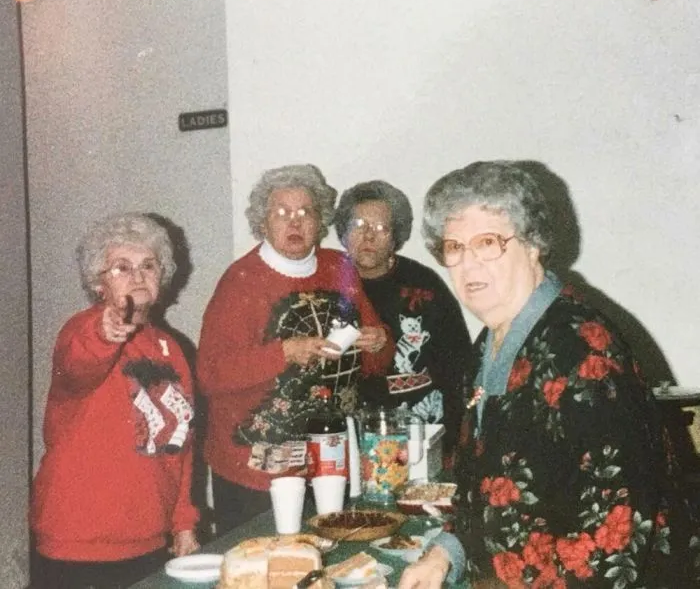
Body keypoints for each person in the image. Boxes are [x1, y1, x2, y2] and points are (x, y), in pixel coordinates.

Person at [399, 161, 699, 589]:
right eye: (454, 247)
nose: (468, 264)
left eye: (487, 243)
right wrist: (446, 552)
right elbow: (482, 485)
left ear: (532, 244)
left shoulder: (583, 353)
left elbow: (615, 543)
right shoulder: (490, 342)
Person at [197, 164, 393, 535]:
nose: (295, 222)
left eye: (305, 212)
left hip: (330, 462)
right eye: (282, 212)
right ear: (263, 222)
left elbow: (376, 363)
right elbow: (210, 374)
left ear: (320, 221)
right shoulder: (241, 281)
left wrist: (380, 340)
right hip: (256, 471)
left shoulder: (339, 267)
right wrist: (284, 352)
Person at [31, 213, 200, 589]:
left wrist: (183, 523)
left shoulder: (171, 348)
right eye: (122, 267)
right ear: (99, 283)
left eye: (148, 265)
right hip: (77, 545)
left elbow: (180, 445)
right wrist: (104, 333)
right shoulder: (81, 329)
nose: (137, 276)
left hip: (148, 540)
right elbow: (79, 363)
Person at [334, 180, 475, 463]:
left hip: (422, 430)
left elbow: (459, 362)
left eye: (381, 228)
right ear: (344, 231)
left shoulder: (423, 284)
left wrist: (456, 440)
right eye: (359, 225)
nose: (368, 236)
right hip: (352, 436)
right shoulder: (328, 284)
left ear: (395, 236)